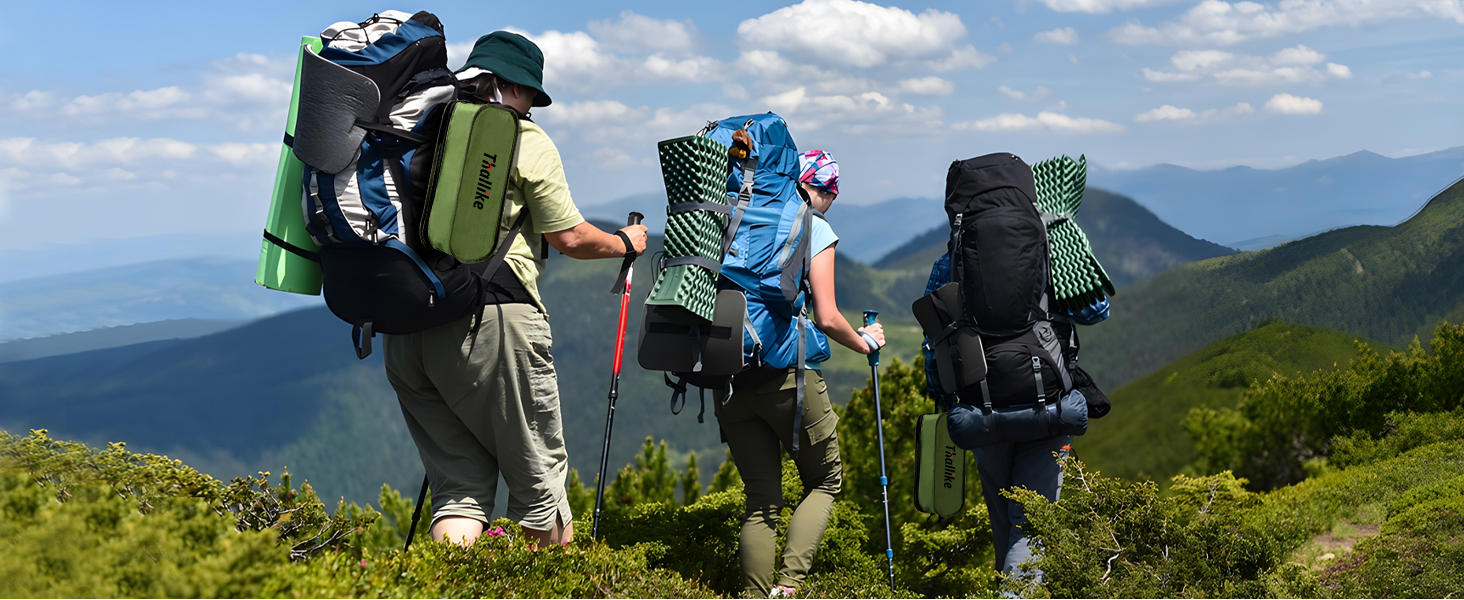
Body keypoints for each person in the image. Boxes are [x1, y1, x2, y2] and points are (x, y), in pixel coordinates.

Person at [382, 31, 649, 548]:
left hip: (406, 325)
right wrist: (624, 242)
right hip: (489, 325)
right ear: (505, 86)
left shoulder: (417, 125)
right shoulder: (519, 138)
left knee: (458, 494)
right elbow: (568, 237)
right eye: (528, 94)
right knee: (540, 493)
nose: (530, 108)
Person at [714, 150, 885, 598]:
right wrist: (865, 340)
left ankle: (753, 595)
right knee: (826, 482)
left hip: (728, 377)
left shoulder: (733, 213)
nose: (831, 202)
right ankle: (788, 588)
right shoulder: (814, 225)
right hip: (788, 375)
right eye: (832, 193)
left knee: (761, 500)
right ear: (820, 189)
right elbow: (827, 317)